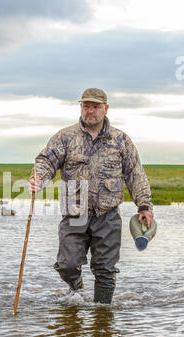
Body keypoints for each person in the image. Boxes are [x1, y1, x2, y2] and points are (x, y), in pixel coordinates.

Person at [29, 88, 153, 305]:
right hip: (74, 214)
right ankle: (76, 289)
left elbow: (135, 174)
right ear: (81, 108)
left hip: (108, 216)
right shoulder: (65, 137)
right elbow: (46, 161)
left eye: (95, 106)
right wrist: (39, 178)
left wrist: (144, 207)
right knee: (67, 264)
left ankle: (102, 317)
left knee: (105, 270)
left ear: (106, 109)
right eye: (86, 106)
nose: (90, 111)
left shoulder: (121, 140)